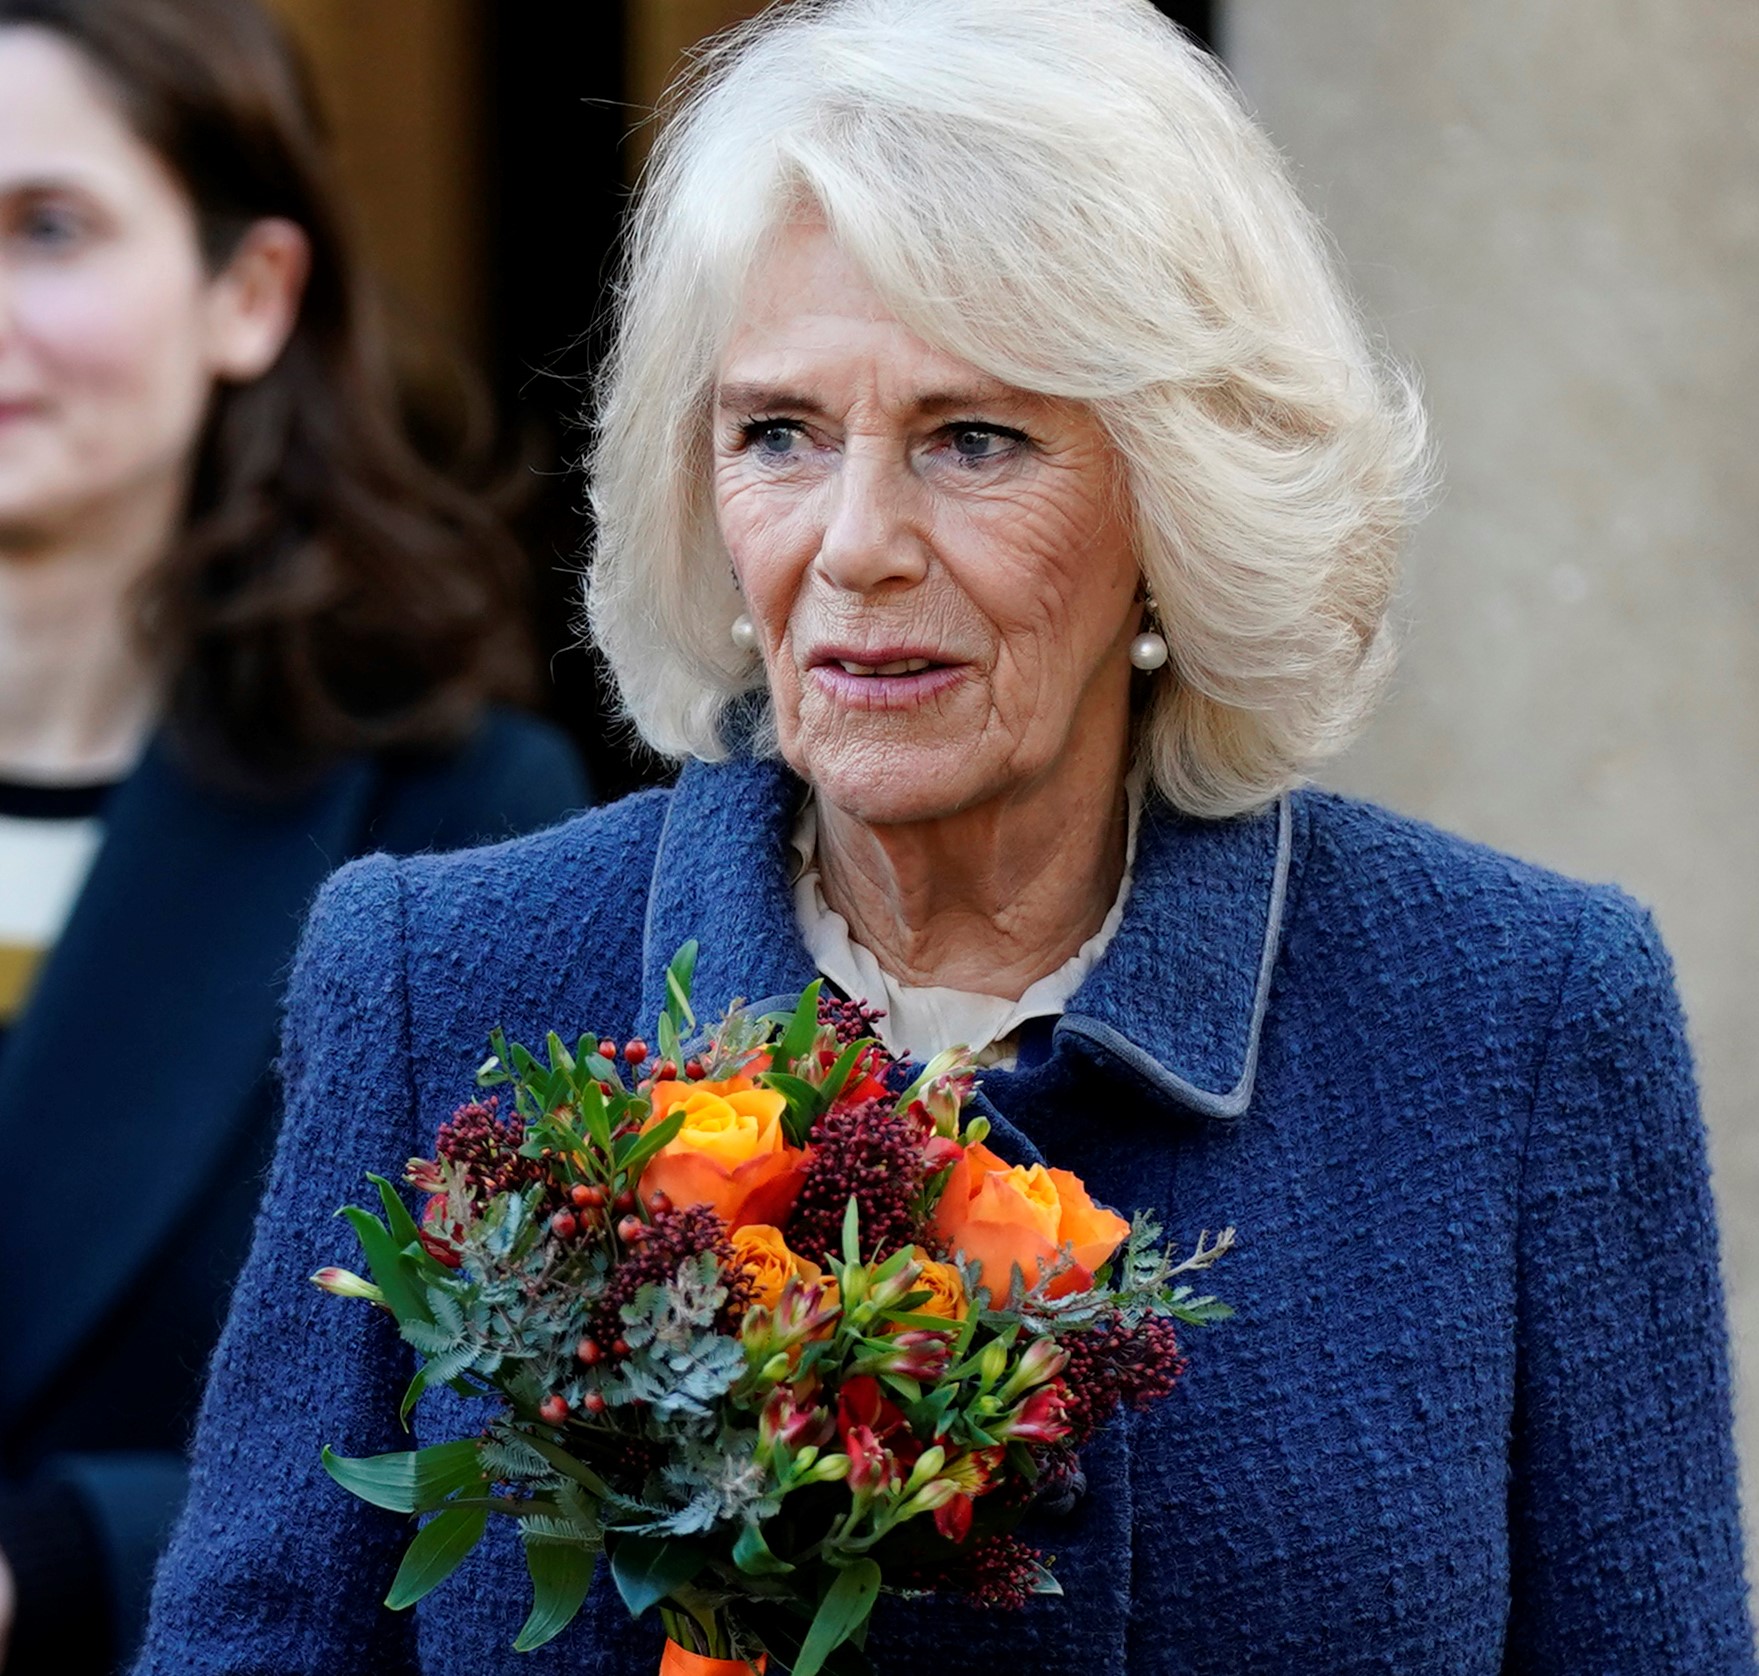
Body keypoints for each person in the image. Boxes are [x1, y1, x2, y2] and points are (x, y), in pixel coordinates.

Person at [133, 1, 1753, 1671]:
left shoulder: (1523, 1018)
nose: (855, 547)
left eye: (972, 439)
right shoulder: (440, 981)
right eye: (779, 433)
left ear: (1178, 499)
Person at [0, 0, 589, 1669]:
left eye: (46, 229)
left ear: (249, 294)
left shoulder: (460, 828)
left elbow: (521, 1457)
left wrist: (59, 1561)